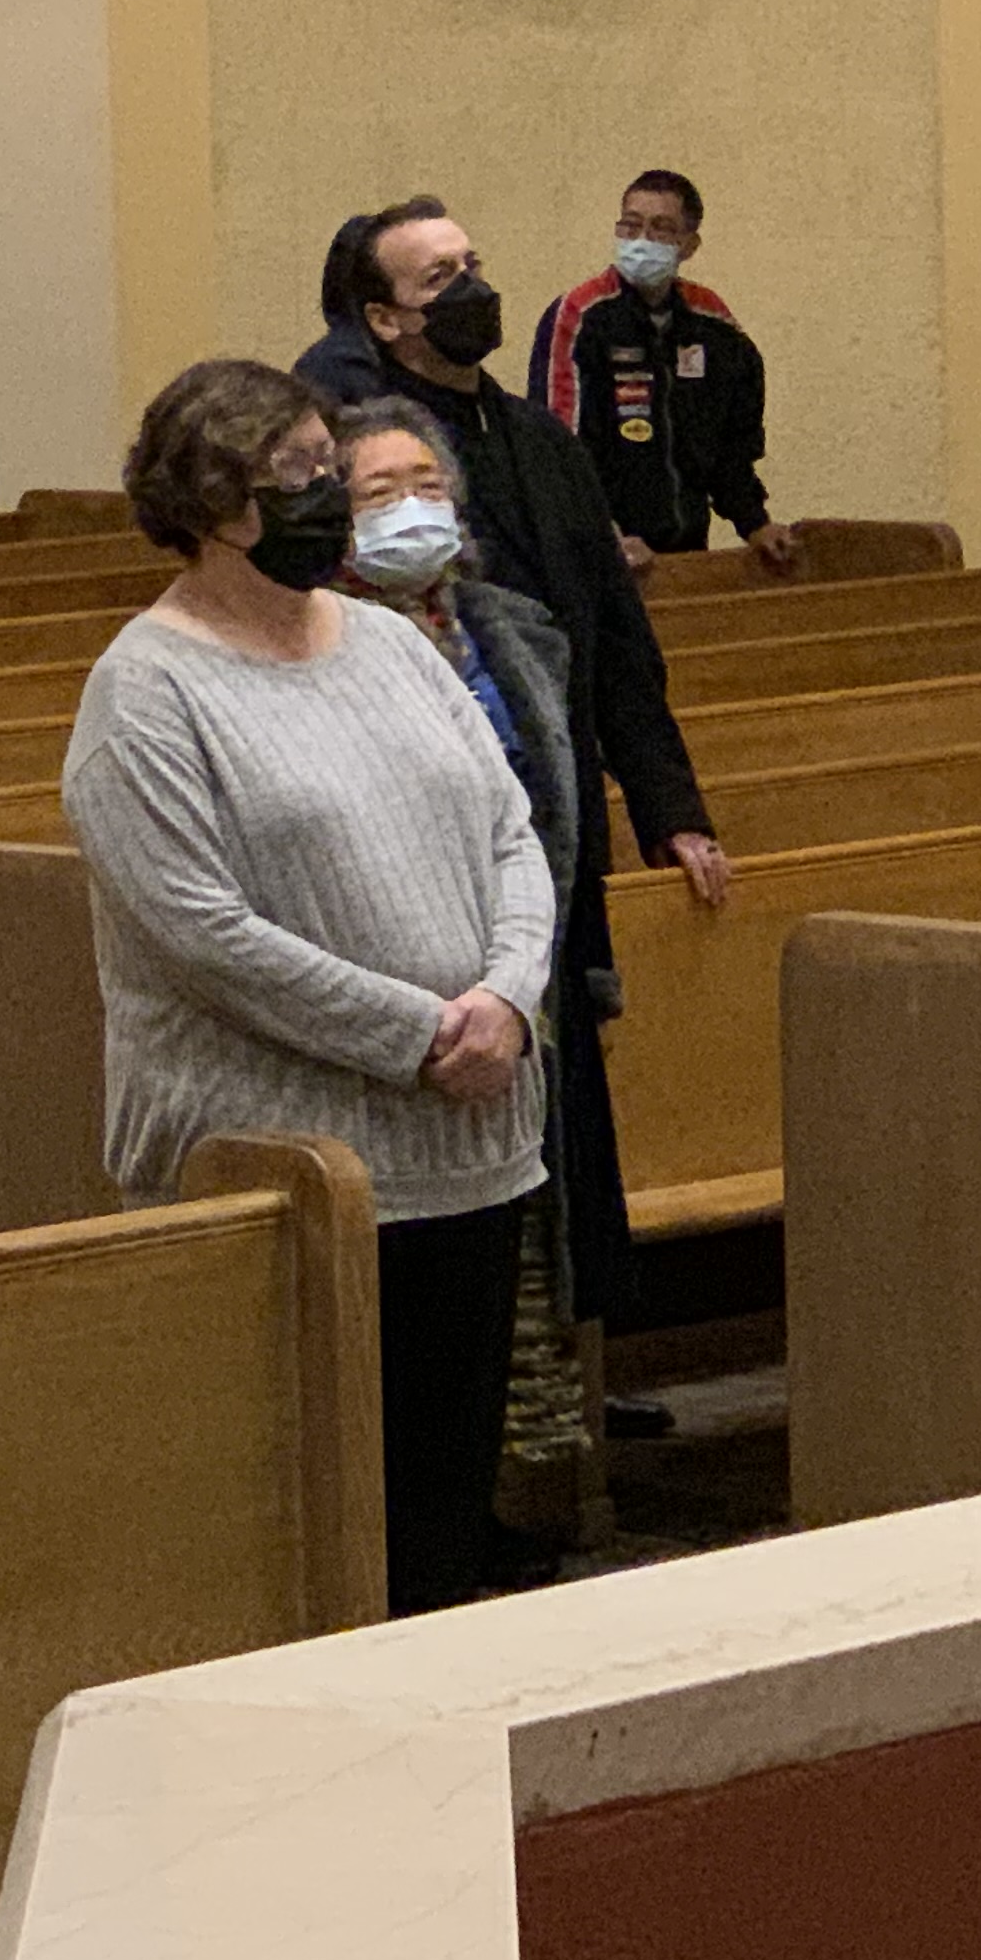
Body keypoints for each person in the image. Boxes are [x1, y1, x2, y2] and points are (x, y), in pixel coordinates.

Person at [62, 358, 556, 1615]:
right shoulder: (147, 691)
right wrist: (418, 1033)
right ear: (213, 504)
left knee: (441, 1517)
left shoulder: (388, 642)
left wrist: (508, 997)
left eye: (328, 468)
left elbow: (511, 829)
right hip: (287, 1160)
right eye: (298, 476)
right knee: (320, 1534)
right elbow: (202, 932)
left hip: (466, 1144)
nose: (330, 497)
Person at [333, 396, 728, 1445]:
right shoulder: (319, 644)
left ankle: (531, 1462)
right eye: (380, 492)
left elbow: (551, 791)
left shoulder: (514, 630)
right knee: (427, 1266)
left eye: (426, 486)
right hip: (403, 976)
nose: (411, 508)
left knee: (535, 1232)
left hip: (526, 966)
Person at [294, 201, 721, 932]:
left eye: (472, 266)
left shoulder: (542, 440)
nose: (471, 289)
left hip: (560, 787)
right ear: (386, 318)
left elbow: (617, 637)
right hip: (426, 817)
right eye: (439, 278)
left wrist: (670, 811)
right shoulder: (365, 451)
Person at [527, 170, 792, 571]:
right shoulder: (580, 315)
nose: (642, 239)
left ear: (689, 244)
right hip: (601, 554)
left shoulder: (714, 325)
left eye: (661, 228)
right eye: (630, 225)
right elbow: (558, 451)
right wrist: (606, 535)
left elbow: (731, 451)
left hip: (686, 554)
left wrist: (755, 523)